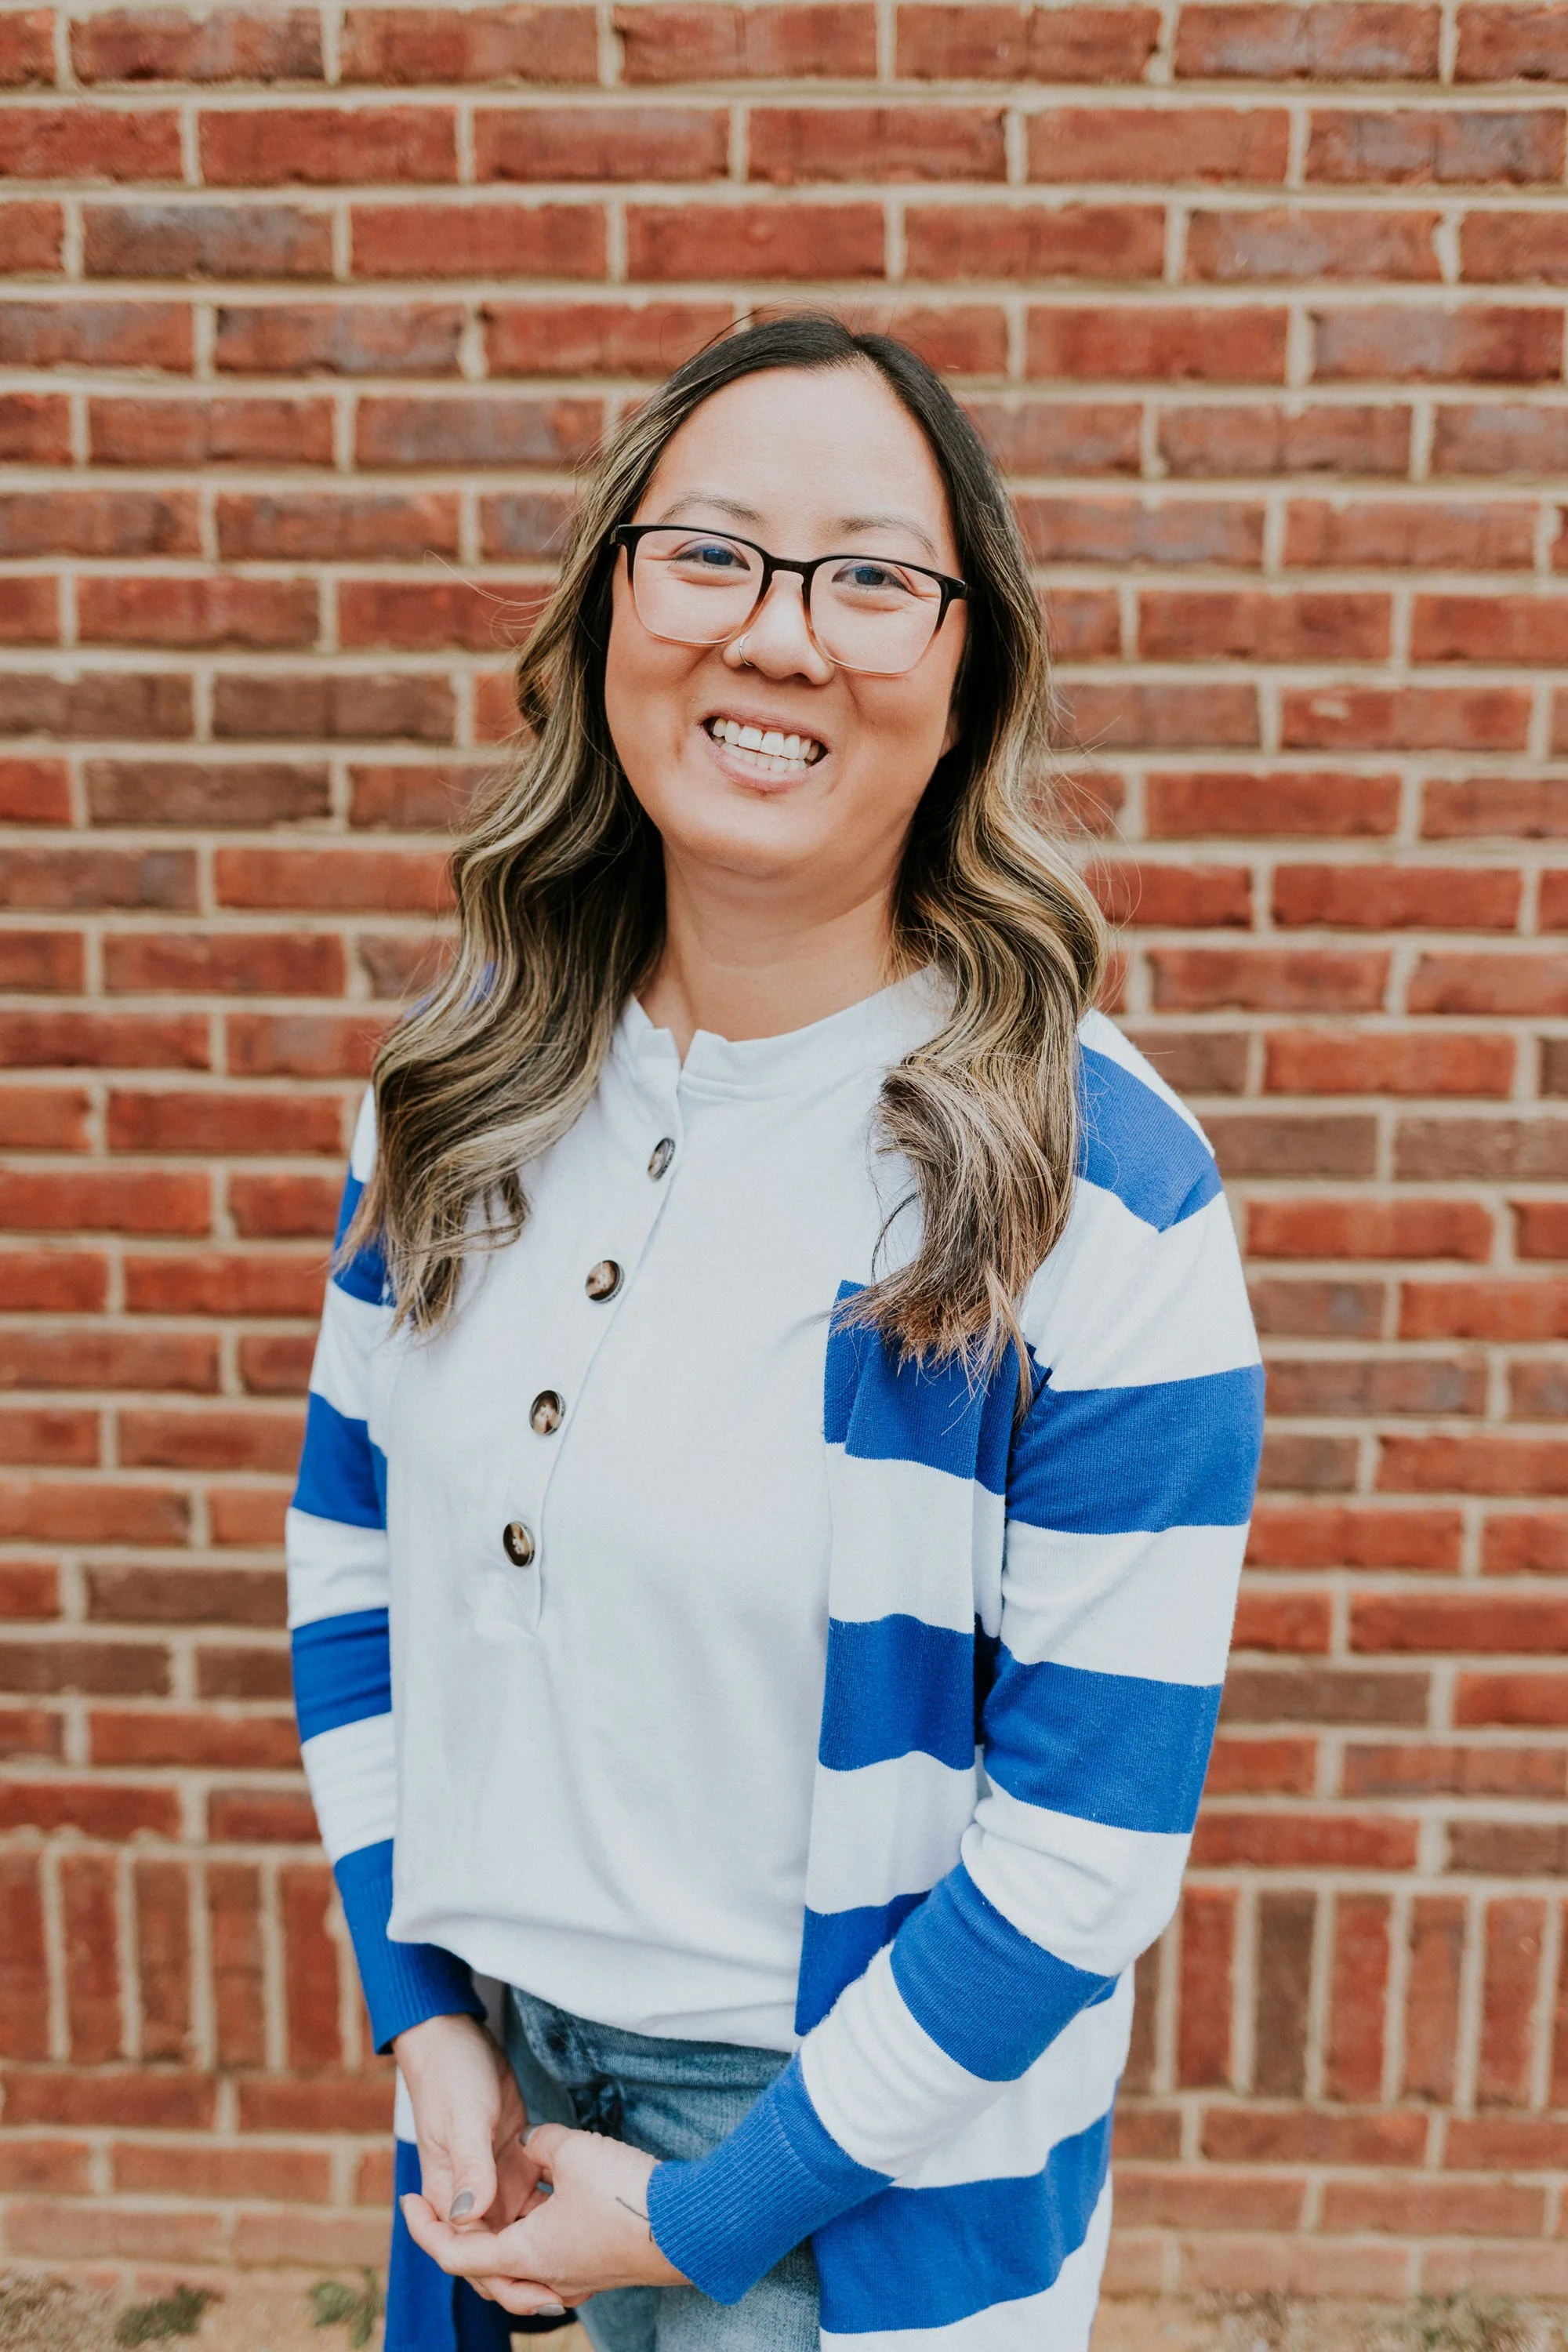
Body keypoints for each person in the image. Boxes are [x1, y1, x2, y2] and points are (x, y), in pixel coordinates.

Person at [287, 313, 1264, 2352]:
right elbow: (354, 1560)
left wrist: (715, 2210)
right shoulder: (450, 1097)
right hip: (488, 2099)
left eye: (869, 577)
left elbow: (1082, 1858)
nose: (778, 635)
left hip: (846, 2175)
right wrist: (423, 2023)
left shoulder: (1102, 1193)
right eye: (711, 551)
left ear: (964, 664)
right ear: (613, 600)